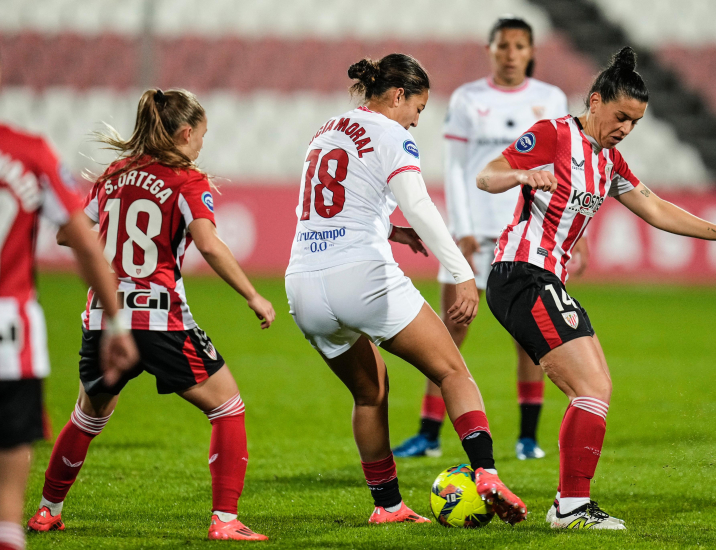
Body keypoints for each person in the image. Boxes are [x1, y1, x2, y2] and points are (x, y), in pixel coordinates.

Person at [477, 47, 716, 529]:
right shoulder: (553, 134)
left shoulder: (610, 161)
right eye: (620, 117)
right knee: (591, 387)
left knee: (595, 389)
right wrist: (521, 174)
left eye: (635, 123)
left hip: (543, 278)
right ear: (594, 102)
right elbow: (486, 177)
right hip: (520, 273)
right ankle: (570, 508)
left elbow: (656, 209)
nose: (625, 129)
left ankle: (568, 504)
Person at [285, 53, 527, 525]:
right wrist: (460, 271)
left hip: (303, 284)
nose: (418, 119)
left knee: (369, 394)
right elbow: (418, 203)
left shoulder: (326, 130)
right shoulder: (392, 133)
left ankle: (388, 506)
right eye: (418, 106)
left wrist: (389, 231)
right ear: (398, 95)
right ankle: (487, 474)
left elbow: (331, 205)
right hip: (361, 276)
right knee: (453, 372)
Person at [26, 89, 276, 541]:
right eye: (201, 135)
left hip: (105, 317)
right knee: (228, 407)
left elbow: (67, 234)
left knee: (87, 418)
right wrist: (253, 295)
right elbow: (209, 244)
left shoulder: (114, 175)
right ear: (184, 133)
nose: (202, 144)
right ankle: (224, 520)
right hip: (159, 318)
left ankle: (46, 510)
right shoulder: (187, 180)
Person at [393, 16, 588, 461]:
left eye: (520, 46)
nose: (511, 53)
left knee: (530, 335)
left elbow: (567, 172)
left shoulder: (551, 99)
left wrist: (575, 232)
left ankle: (527, 437)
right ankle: (427, 434)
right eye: (503, 45)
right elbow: (459, 168)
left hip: (530, 231)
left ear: (531, 52)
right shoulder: (468, 99)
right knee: (449, 332)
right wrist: (459, 229)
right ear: (491, 49)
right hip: (473, 231)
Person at [0, 66, 138, 550]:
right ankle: (10, 529)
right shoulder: (29, 152)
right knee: (12, 438)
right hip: (11, 330)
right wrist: (117, 322)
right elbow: (82, 242)